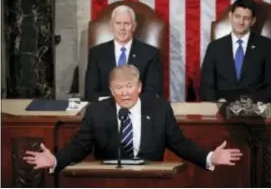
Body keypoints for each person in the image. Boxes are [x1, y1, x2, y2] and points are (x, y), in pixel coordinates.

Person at [24, 65, 242, 173]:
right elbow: (79, 146)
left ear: (139, 87)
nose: (125, 93)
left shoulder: (159, 109)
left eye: (130, 87)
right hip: (108, 181)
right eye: (119, 88)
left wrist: (210, 157)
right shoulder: (97, 111)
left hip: (151, 179)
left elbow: (179, 143)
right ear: (111, 89)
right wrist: (55, 160)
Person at [84, 5, 163, 102]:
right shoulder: (97, 53)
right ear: (112, 25)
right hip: (105, 110)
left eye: (126, 24)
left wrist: (130, 103)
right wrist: (114, 103)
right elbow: (90, 92)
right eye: (118, 23)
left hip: (138, 109)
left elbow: (152, 91)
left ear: (134, 26)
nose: (122, 28)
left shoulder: (150, 54)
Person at [200, 0, 271, 102]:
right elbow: (206, 86)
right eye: (237, 16)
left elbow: (269, 86)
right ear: (230, 16)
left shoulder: (266, 46)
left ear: (253, 21)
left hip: (255, 111)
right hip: (221, 109)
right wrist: (218, 101)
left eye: (246, 18)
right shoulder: (214, 47)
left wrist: (251, 102)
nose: (241, 22)